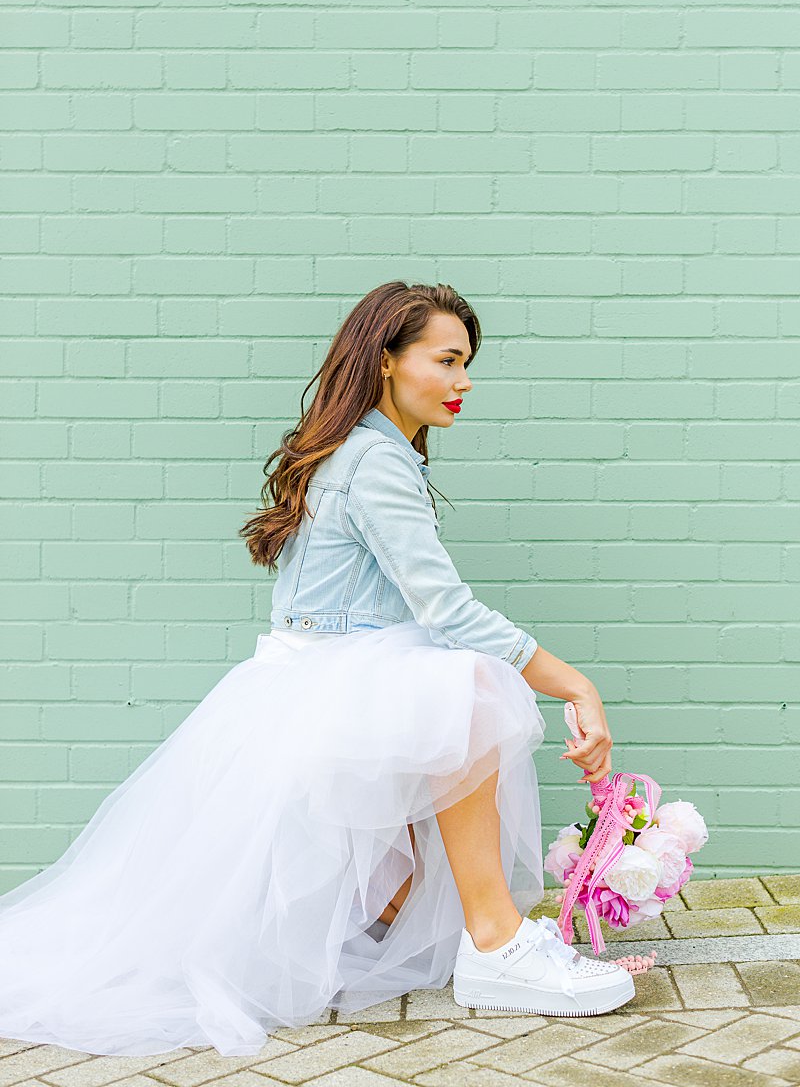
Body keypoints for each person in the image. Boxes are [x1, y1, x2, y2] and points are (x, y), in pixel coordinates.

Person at [0, 280, 633, 1058]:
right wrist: (577, 684)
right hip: (333, 679)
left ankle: (436, 929)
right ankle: (497, 945)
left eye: (468, 363)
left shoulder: (358, 448)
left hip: (311, 679)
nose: (465, 381)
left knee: (447, 689)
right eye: (448, 360)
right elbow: (448, 610)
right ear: (388, 360)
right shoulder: (376, 460)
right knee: (470, 689)